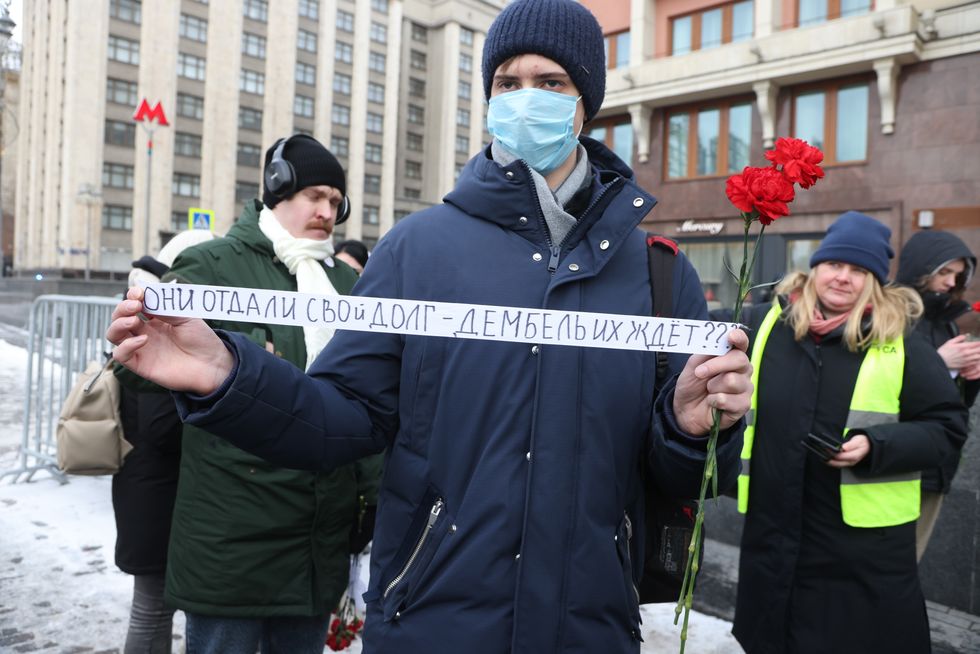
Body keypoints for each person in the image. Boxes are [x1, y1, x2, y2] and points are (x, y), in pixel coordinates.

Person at [107, 2, 753, 651]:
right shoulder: (416, 249)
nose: (526, 98)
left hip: (589, 628)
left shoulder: (659, 276)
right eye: (507, 81)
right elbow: (342, 419)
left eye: (551, 82)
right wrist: (225, 373)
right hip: (431, 621)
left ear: (587, 101)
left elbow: (675, 475)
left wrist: (695, 432)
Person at [155, 135, 380, 653]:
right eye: (315, 196)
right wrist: (244, 359)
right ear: (278, 189)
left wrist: (369, 495)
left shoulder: (347, 283)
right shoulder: (213, 265)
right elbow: (143, 372)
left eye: (335, 201)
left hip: (318, 541)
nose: (327, 211)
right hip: (233, 539)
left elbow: (370, 398)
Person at [732, 211, 969, 654]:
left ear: (875, 281)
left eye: (859, 270)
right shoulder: (766, 325)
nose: (843, 278)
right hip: (774, 538)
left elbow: (947, 428)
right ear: (814, 268)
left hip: (860, 554)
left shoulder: (901, 339)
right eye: (835, 264)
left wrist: (877, 445)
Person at [113, 229, 215, 654]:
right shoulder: (153, 322)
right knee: (152, 609)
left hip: (151, 489)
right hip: (158, 495)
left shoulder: (146, 310)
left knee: (153, 608)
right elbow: (160, 426)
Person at [896, 229, 980, 559]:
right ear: (920, 268)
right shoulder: (894, 317)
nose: (950, 282)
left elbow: (955, 405)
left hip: (937, 466)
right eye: (943, 272)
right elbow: (875, 386)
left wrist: (969, 378)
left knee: (909, 562)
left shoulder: (947, 322)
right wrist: (940, 363)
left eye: (957, 275)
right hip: (894, 461)